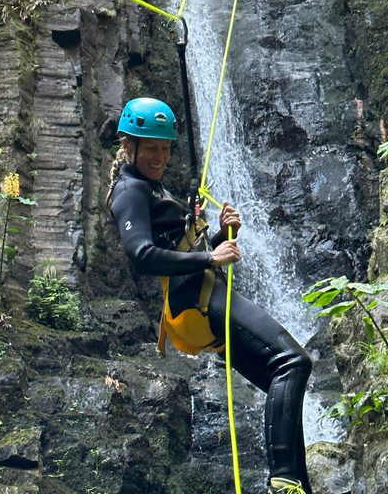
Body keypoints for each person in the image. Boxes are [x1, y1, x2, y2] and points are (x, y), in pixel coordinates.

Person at [107, 97, 314, 494]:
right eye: (151, 147)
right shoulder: (129, 191)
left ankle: (295, 484)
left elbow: (181, 249)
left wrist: (219, 234)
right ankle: (283, 483)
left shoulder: (151, 188)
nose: (160, 156)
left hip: (200, 293)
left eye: (165, 148)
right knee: (292, 362)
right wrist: (211, 254)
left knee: (283, 374)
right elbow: (142, 255)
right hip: (197, 299)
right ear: (128, 146)